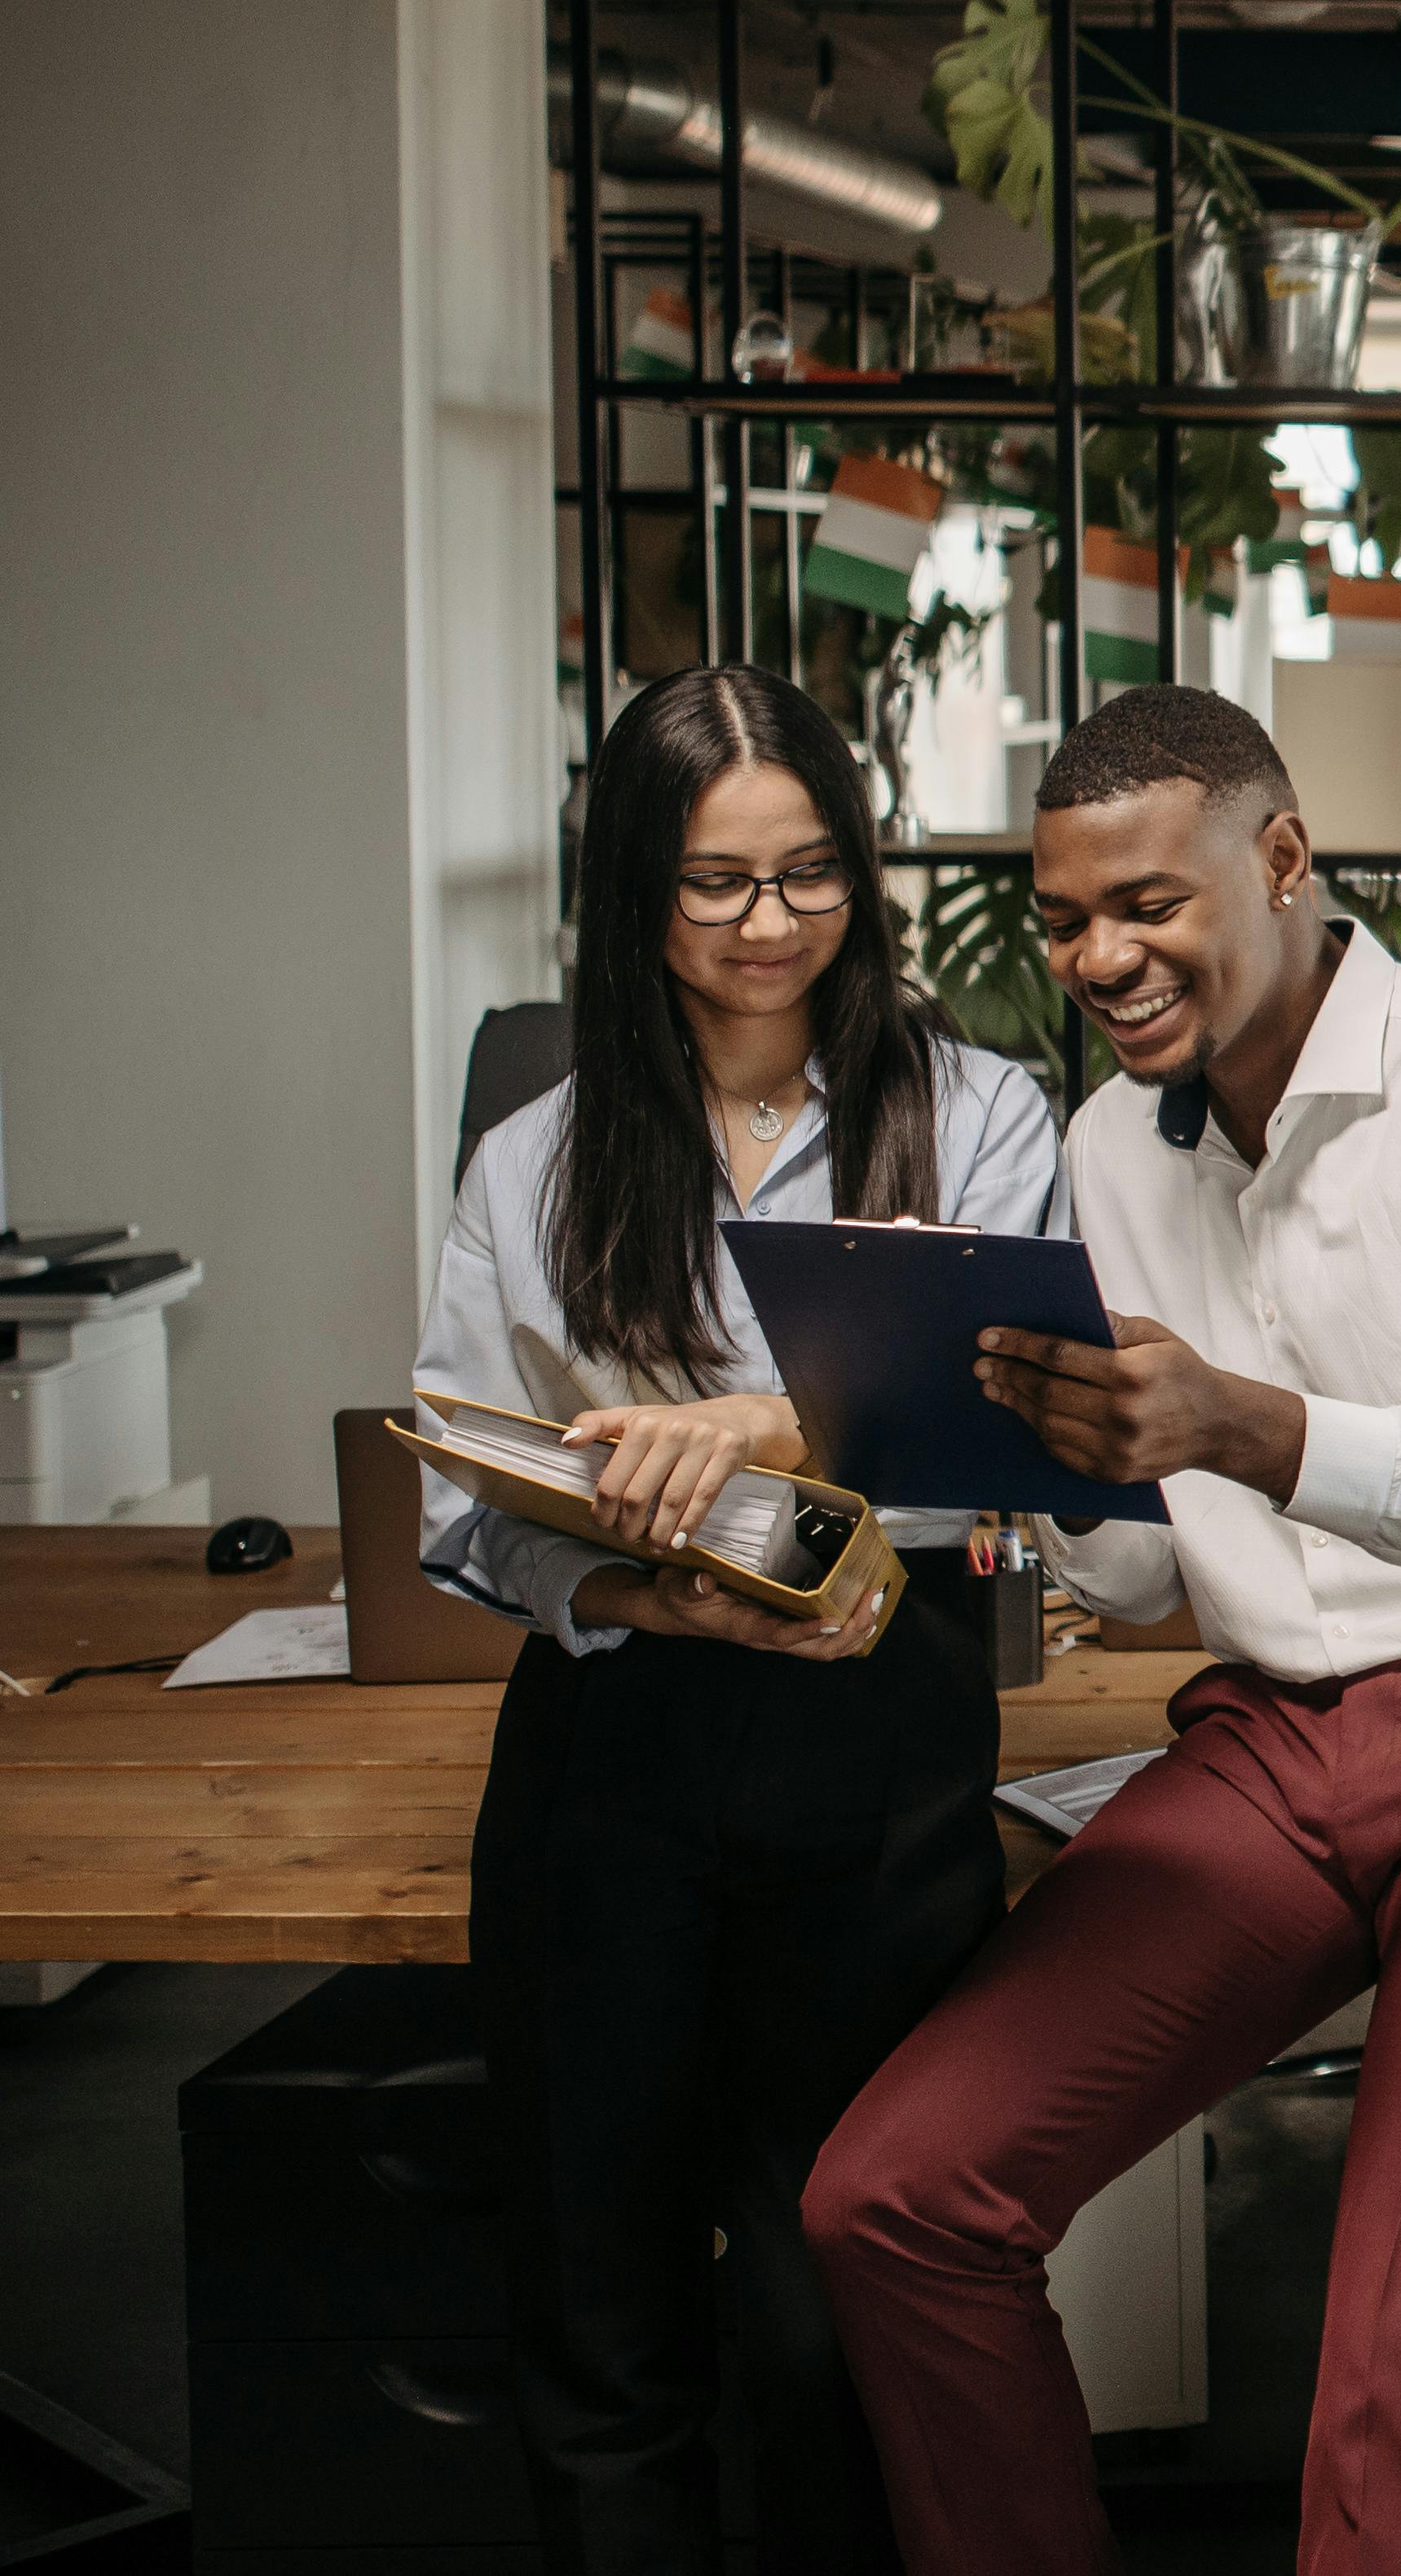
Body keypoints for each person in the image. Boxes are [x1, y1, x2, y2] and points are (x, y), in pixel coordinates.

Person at [802, 684, 1401, 2576]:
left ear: (1286, 859)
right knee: (894, 2198)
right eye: (1066, 918)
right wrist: (1061, 1465)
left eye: (1148, 904)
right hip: (1275, 1738)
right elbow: (1163, 1576)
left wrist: (1248, 1426)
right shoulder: (1109, 1151)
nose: (1097, 956)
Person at [415, 664, 1065, 2575]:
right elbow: (464, 1495)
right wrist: (641, 1584)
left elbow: (1002, 1408)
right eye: (715, 884)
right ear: (633, 896)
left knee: (826, 2301)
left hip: (877, 1742)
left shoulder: (975, 1116)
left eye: (810, 876)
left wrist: (740, 1438)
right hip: (614, 1748)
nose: (772, 925)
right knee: (598, 2310)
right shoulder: (536, 1157)